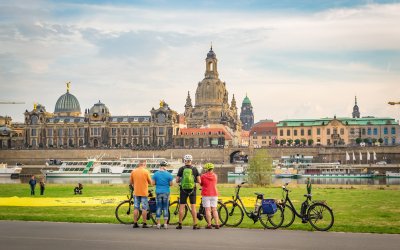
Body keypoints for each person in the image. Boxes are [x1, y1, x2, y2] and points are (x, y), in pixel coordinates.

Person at [176, 154, 201, 230]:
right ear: (191, 160)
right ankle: (195, 224)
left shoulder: (181, 169)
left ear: (184, 160)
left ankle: (180, 224)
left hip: (183, 190)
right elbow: (199, 181)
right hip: (192, 190)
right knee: (193, 208)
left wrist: (182, 180)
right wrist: (194, 181)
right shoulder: (194, 169)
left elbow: (177, 180)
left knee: (181, 208)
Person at [130, 159, 152, 228]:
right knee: (144, 208)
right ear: (144, 164)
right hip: (144, 192)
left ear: (139, 164)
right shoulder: (146, 172)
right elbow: (150, 182)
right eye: (146, 164)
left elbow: (131, 182)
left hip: (136, 192)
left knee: (136, 208)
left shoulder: (133, 171)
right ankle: (144, 223)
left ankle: (135, 223)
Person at [152, 160, 173, 229]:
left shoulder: (155, 174)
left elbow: (153, 183)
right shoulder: (169, 174)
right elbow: (171, 184)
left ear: (160, 166)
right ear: (165, 166)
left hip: (158, 192)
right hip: (166, 192)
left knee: (158, 207)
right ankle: (165, 224)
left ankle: (158, 224)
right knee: (165, 208)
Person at [200, 162, 220, 229]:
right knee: (214, 209)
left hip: (206, 194)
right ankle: (217, 224)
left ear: (206, 169)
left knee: (207, 210)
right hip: (214, 194)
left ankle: (209, 224)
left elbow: (201, 184)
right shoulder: (215, 176)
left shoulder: (203, 176)